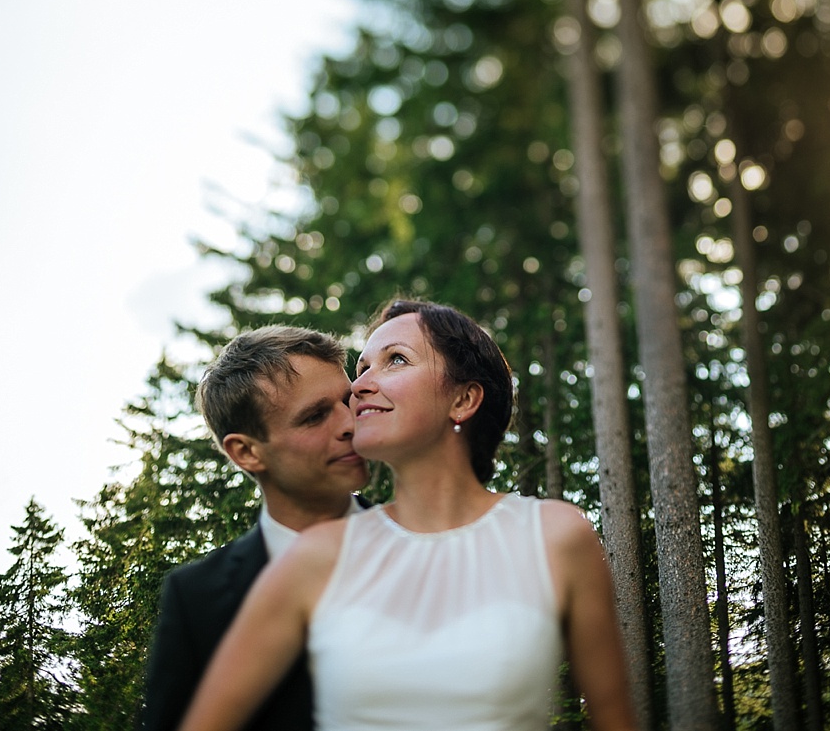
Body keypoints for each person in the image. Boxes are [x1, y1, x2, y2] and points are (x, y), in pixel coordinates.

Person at [177, 300, 637, 731]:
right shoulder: (317, 556)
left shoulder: (556, 536)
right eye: (361, 368)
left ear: (463, 400)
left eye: (395, 359)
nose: (358, 387)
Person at [142, 326, 371, 731]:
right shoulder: (196, 600)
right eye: (315, 416)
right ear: (246, 452)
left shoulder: (422, 541)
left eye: (347, 399)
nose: (350, 423)